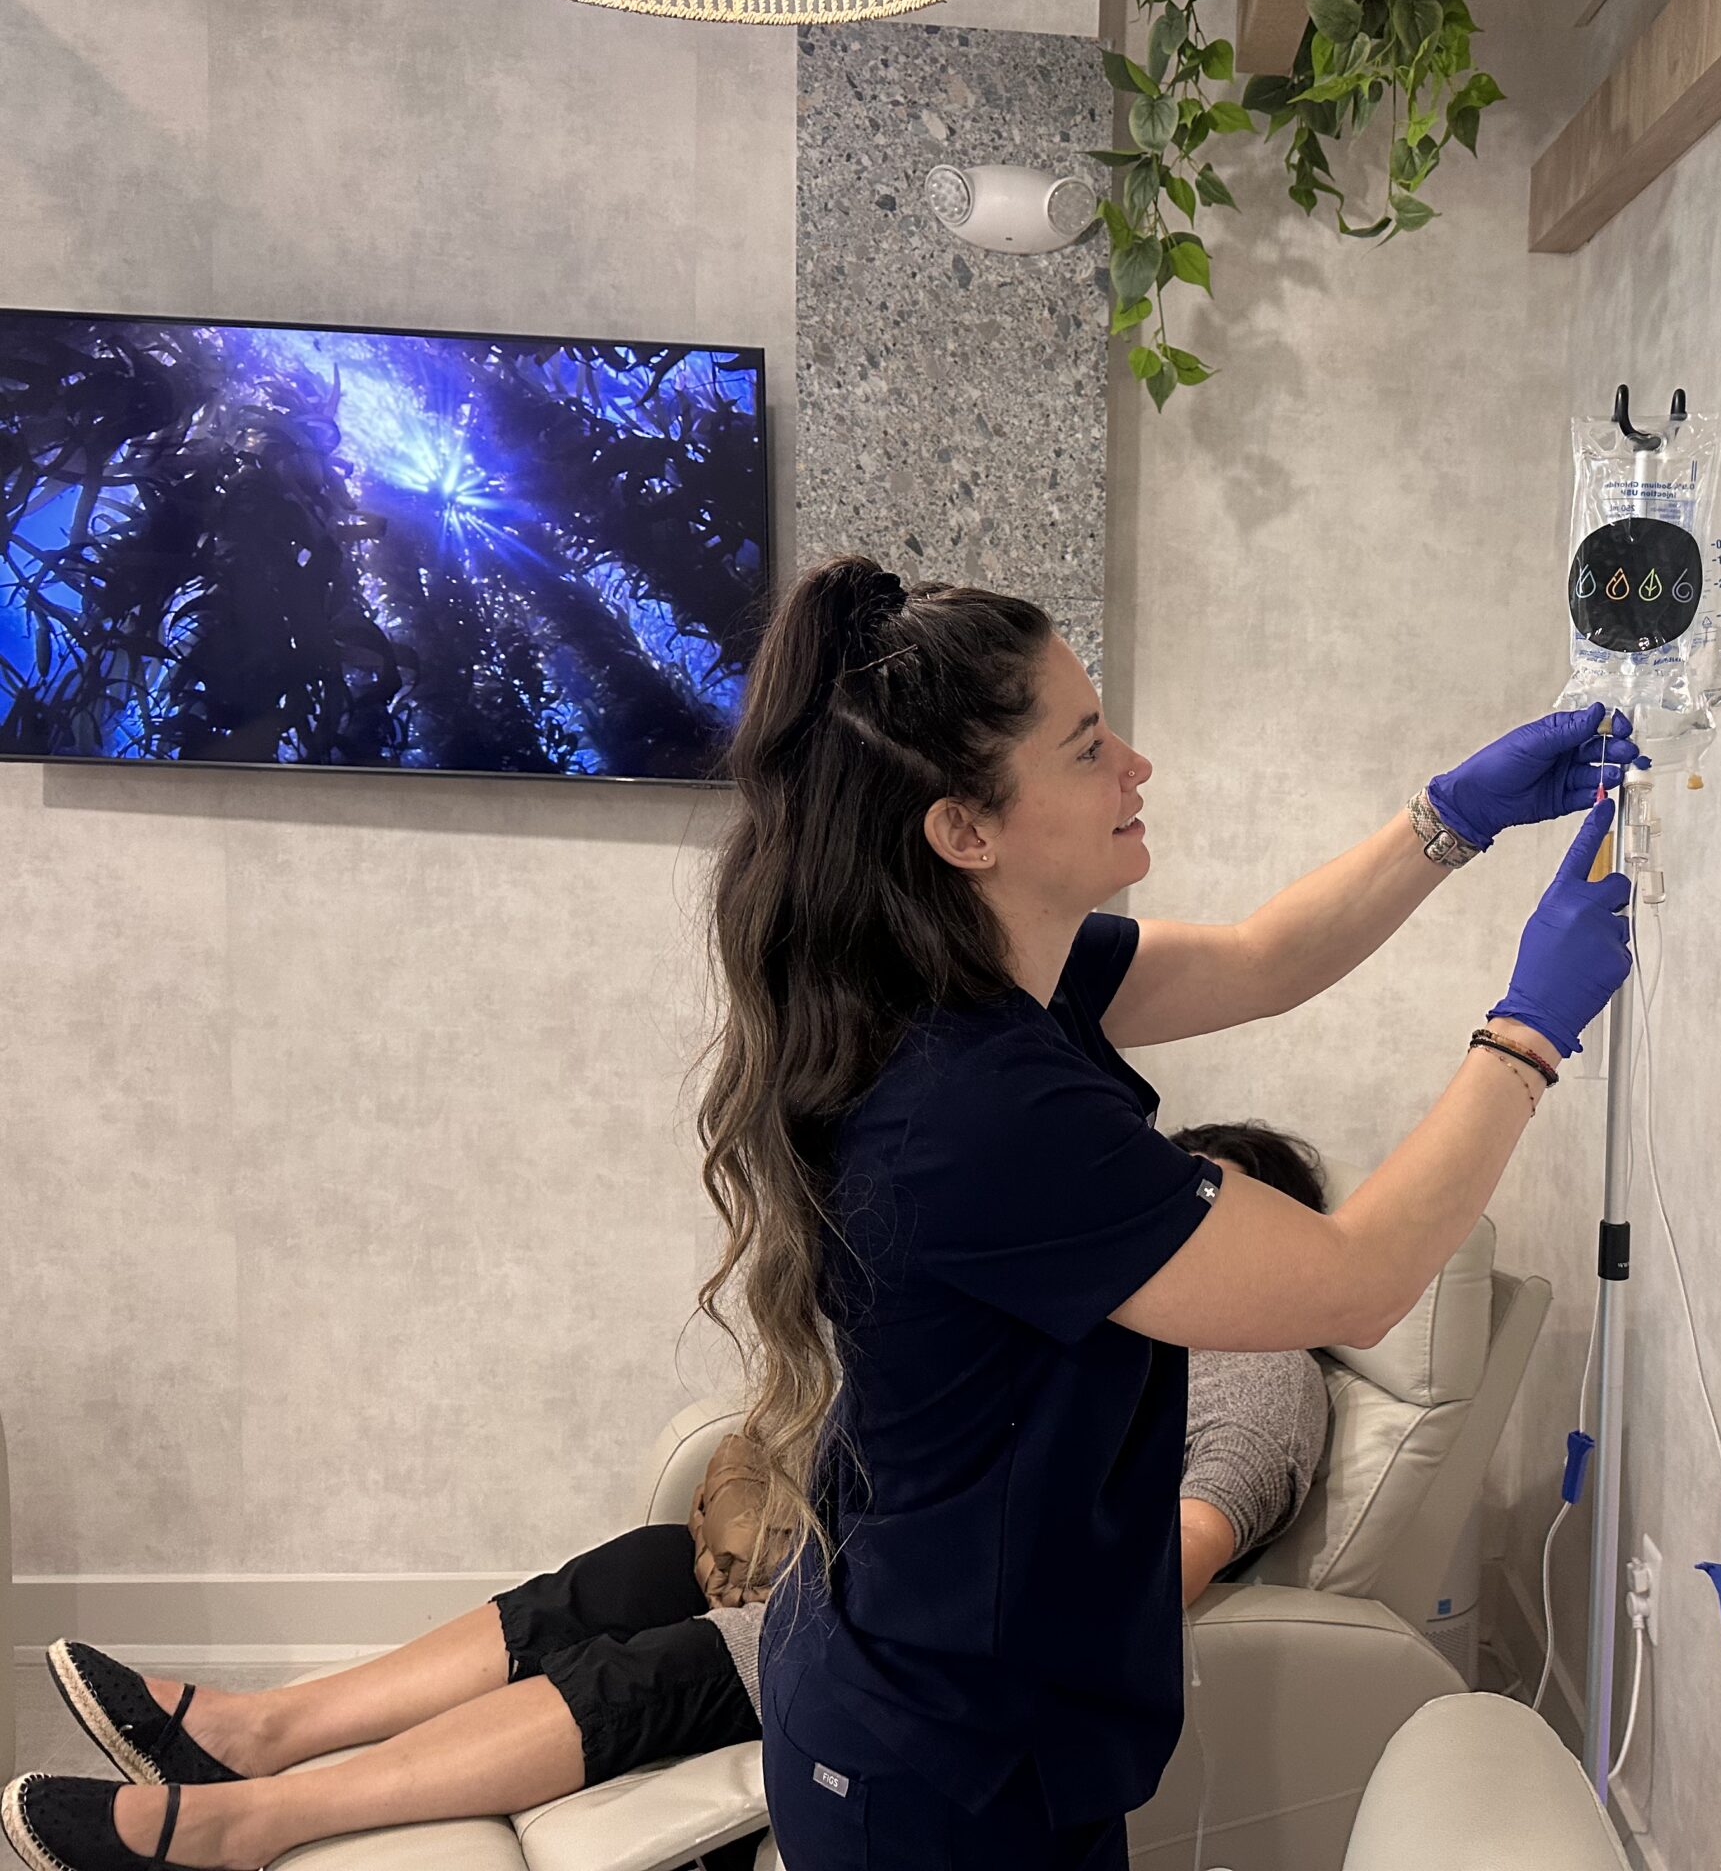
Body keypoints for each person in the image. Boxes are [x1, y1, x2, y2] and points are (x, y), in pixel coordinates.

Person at [690, 558, 1636, 1871]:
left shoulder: (985, 968)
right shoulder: (975, 1108)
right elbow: (1356, 1279)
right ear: (966, 830)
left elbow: (1261, 961)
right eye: (1088, 750)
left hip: (953, 1684)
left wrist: (1450, 818)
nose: (1137, 766)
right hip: (934, 1758)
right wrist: (1526, 1035)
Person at [0, 1115, 1344, 1871]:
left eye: (1194, 1213)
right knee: (651, 1561)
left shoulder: (1258, 1366)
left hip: (934, 1647)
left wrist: (901, 1565)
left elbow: (1160, 1557)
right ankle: (265, 1725)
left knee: (663, 1661)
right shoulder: (1117, 1335)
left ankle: (248, 1820)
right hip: (886, 1590)